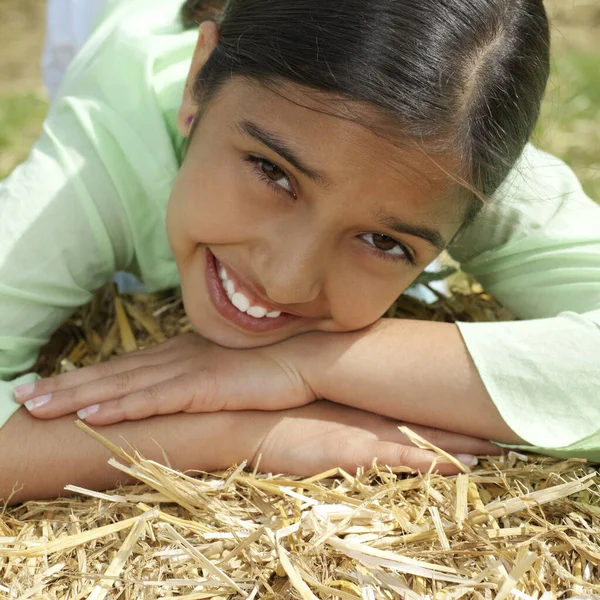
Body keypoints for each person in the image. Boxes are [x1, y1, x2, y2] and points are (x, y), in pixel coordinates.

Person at [1, 0, 598, 505]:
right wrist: (239, 434)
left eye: (384, 241)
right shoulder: (99, 157)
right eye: (273, 172)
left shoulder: (458, 154)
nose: (286, 282)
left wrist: (307, 364)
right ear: (197, 78)